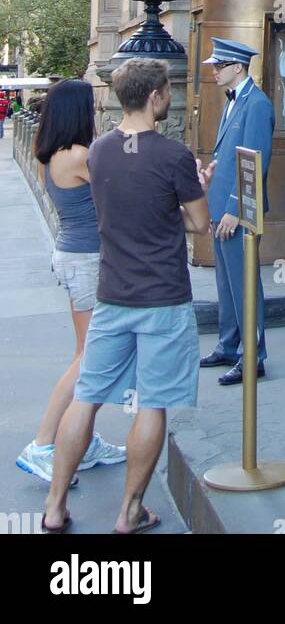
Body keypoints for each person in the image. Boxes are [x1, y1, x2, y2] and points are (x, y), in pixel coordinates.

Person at [41, 59, 212, 534]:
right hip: (162, 298)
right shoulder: (174, 155)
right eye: (166, 93)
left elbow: (126, 211)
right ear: (157, 96)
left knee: (88, 397)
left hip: (112, 294)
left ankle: (54, 507)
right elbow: (198, 224)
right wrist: (200, 189)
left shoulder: (98, 152)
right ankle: (129, 511)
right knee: (153, 403)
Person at [16, 80, 126, 484]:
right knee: (87, 359)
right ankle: (43, 443)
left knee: (88, 353)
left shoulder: (48, 154)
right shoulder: (79, 155)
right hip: (86, 260)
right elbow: (120, 192)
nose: (97, 110)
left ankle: (84, 439)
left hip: (73, 256)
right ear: (78, 112)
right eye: (92, 104)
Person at [198, 38, 274, 386]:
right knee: (227, 284)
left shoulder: (256, 104)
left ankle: (252, 356)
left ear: (238, 68)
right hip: (223, 207)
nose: (214, 71)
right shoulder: (234, 101)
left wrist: (233, 209)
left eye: (219, 65)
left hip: (239, 211)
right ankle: (229, 346)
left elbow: (255, 163)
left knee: (244, 285)